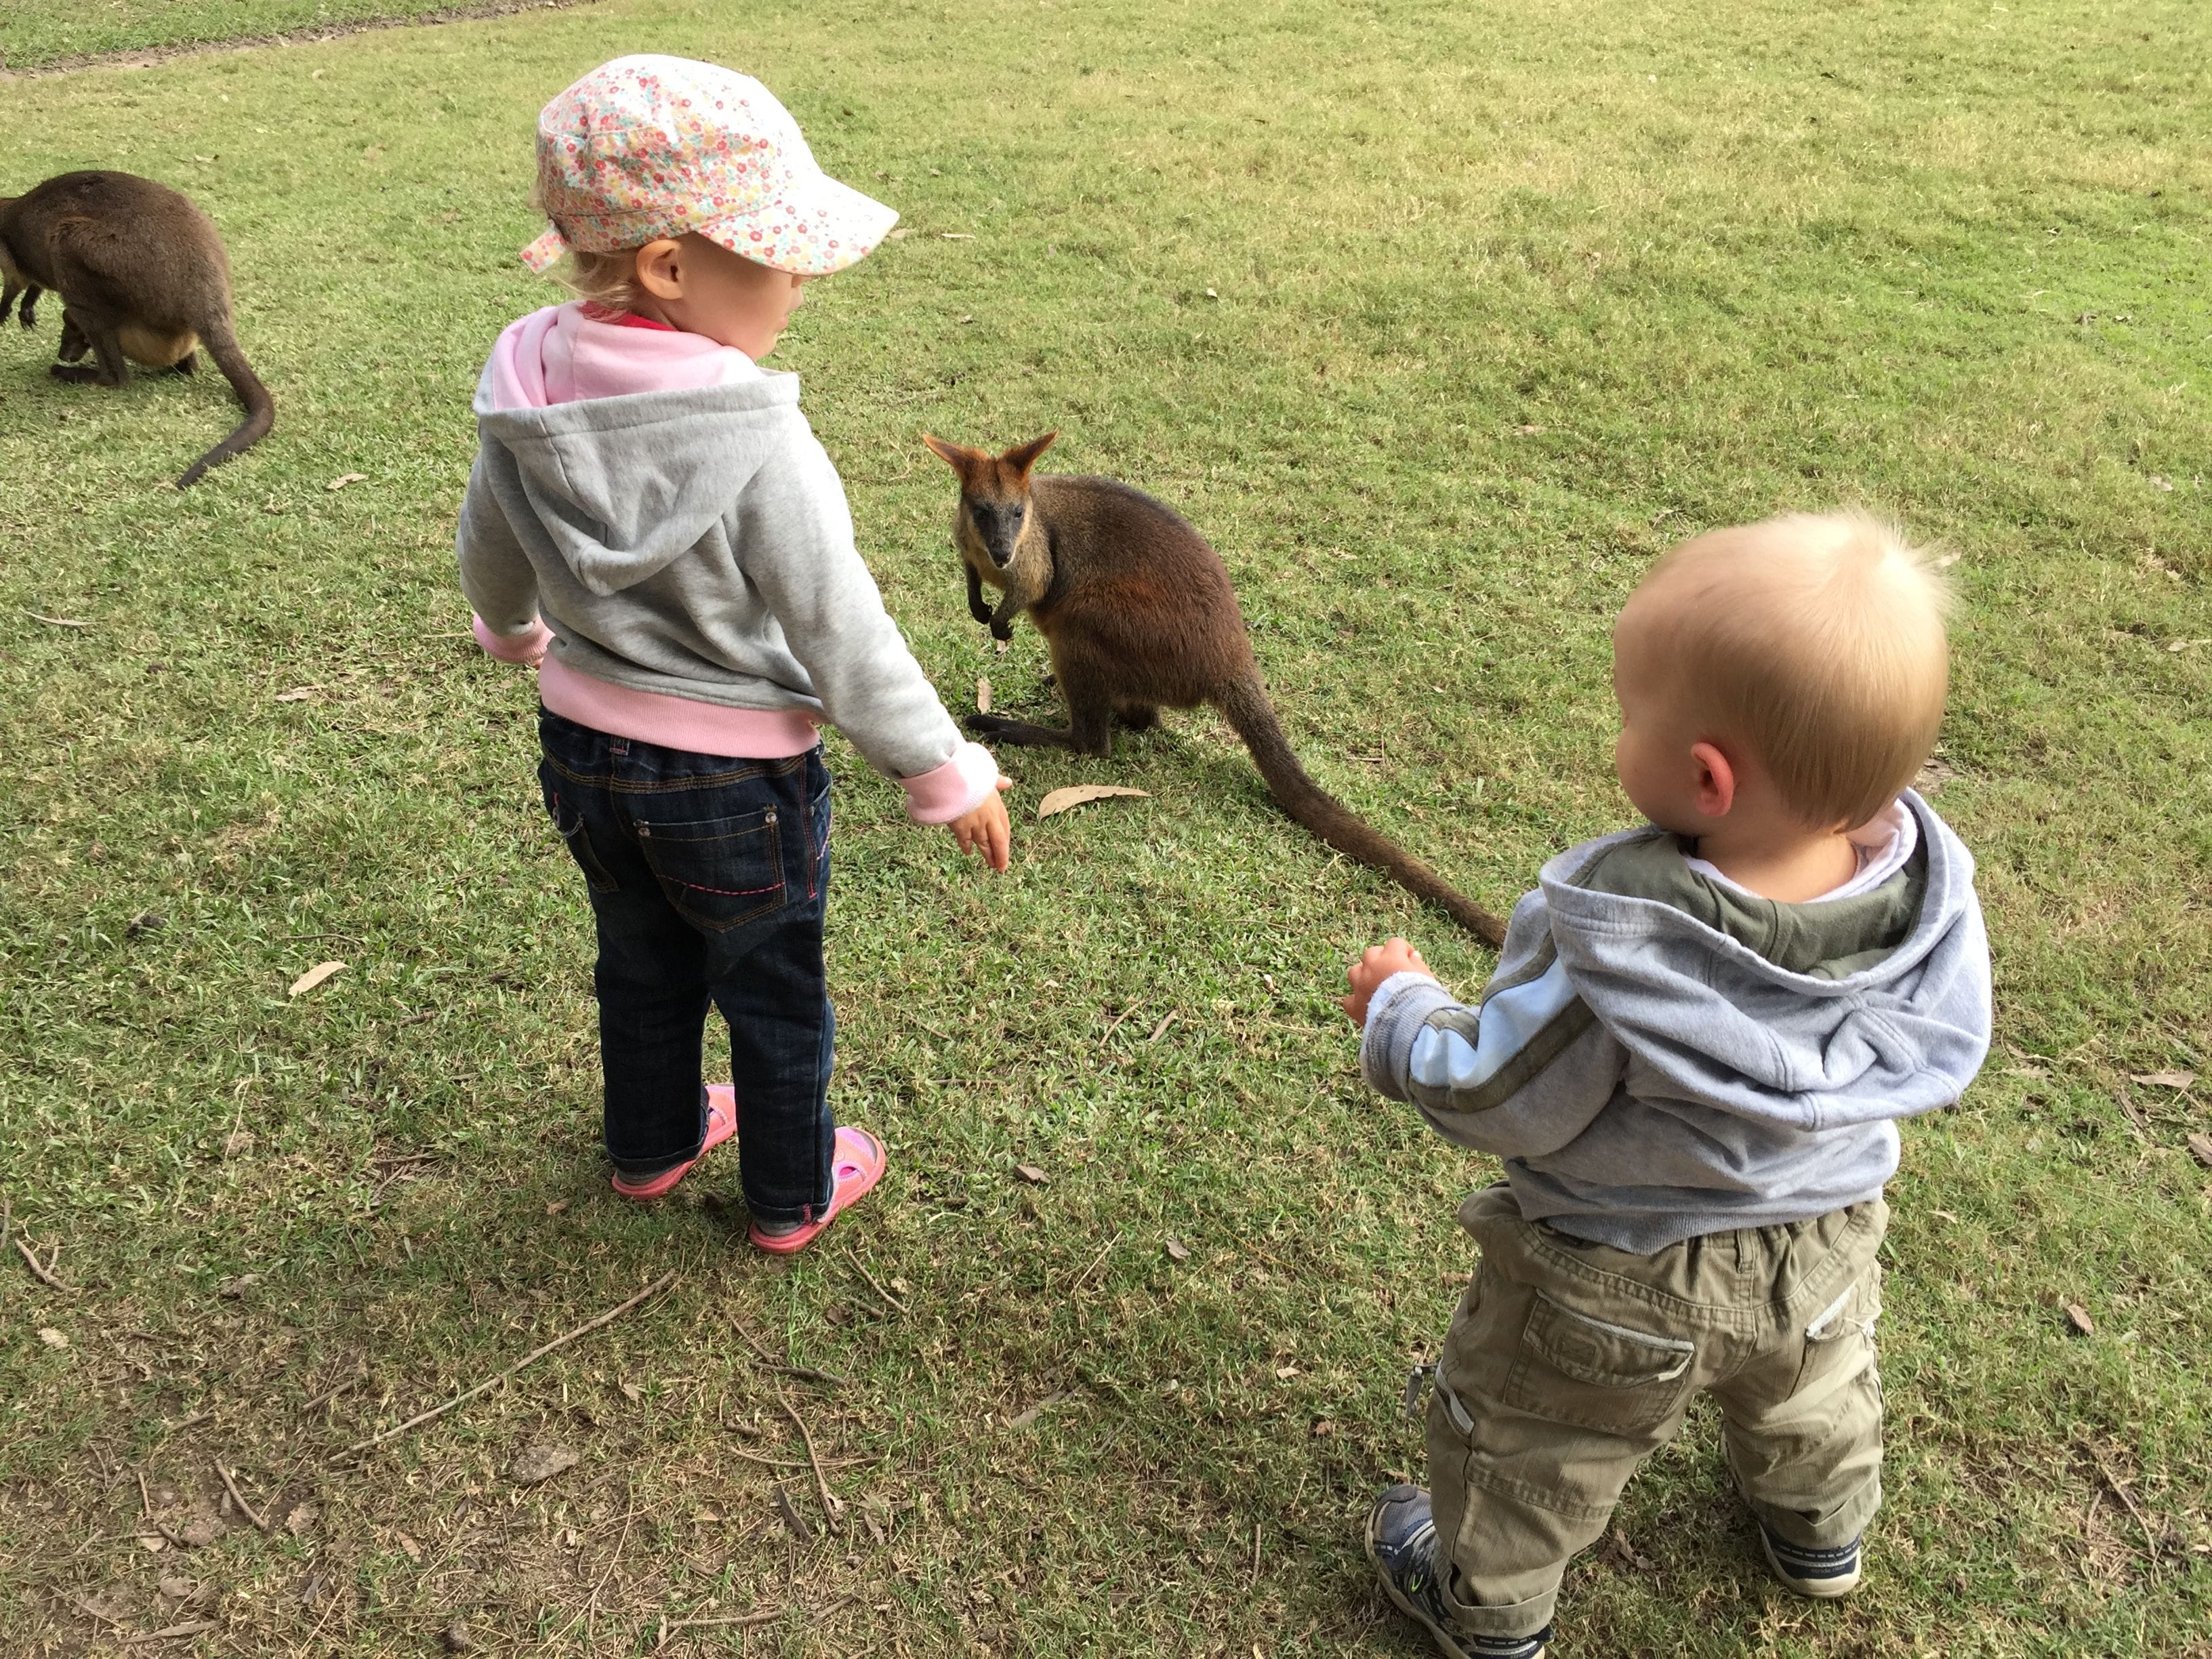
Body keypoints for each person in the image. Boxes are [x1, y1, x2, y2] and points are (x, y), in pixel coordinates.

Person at [1343, 510, 1992, 1658]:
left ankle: (1485, 1608)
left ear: (1704, 775)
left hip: (1614, 1281)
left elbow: (1501, 1091)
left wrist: (1403, 1012)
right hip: (1827, 1246)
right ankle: (1821, 1535)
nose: (1618, 727)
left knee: (1531, 1443)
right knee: (1813, 1404)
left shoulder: (1622, 937)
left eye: (1626, 712)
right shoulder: (1921, 908)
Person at [458, 55, 1010, 1254]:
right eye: (781, 255)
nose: (800, 282)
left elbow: (489, 538)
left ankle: (651, 1145)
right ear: (671, 266)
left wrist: (510, 630)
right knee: (770, 989)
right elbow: (836, 621)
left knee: (640, 956)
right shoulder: (755, 431)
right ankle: (789, 1194)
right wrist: (943, 767)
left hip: (584, 751)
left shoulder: (525, 382)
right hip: (732, 782)